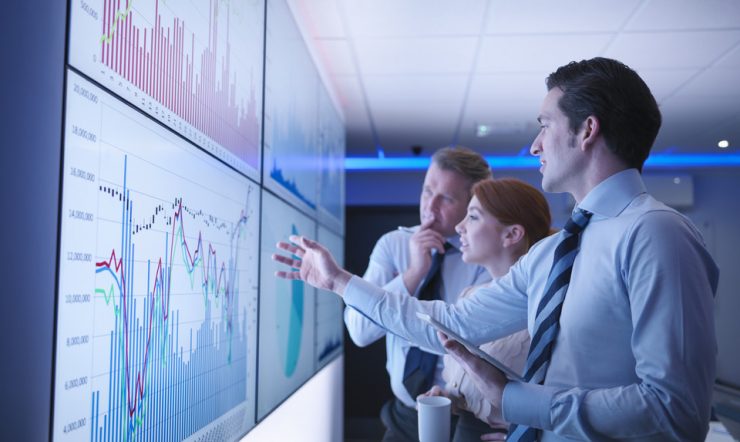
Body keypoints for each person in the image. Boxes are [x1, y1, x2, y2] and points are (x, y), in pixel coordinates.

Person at [274, 57, 719, 441]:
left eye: (545, 125)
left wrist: (521, 405)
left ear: (587, 130)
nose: (535, 145)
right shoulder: (552, 255)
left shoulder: (656, 234)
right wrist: (338, 280)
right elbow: (447, 323)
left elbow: (674, 411)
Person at [344, 146, 493, 442]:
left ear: (473, 202)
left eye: (446, 198)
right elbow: (360, 332)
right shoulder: (393, 244)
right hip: (405, 416)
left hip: (469, 417)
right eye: (427, 191)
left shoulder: (487, 255)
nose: (430, 206)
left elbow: (478, 343)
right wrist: (412, 274)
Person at [422, 177, 552, 441]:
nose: (459, 227)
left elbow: (560, 401)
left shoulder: (545, 309)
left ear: (512, 234)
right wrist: (451, 397)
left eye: (472, 217)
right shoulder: (470, 296)